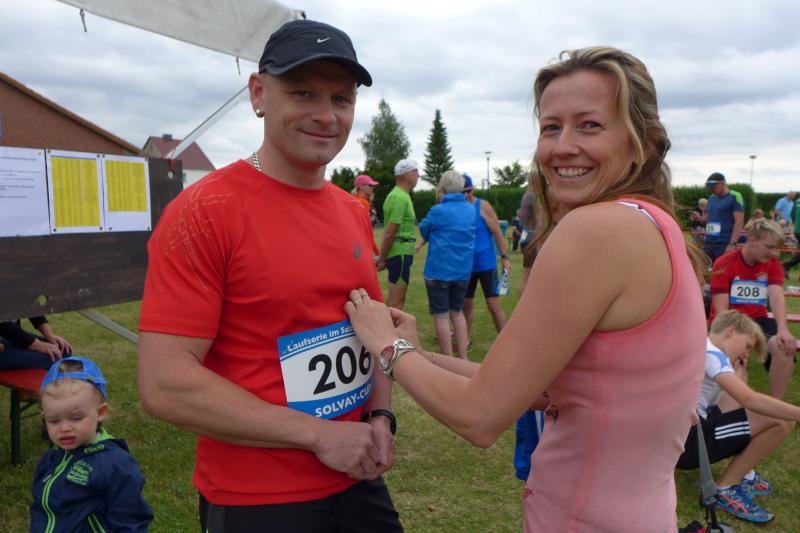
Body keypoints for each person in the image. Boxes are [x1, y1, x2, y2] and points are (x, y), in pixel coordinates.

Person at [345, 46, 707, 532]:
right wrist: (420, 354)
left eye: (590, 125)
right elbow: (531, 389)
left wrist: (386, 345)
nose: (562, 147)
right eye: (551, 127)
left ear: (640, 140)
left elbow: (479, 416)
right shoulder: (655, 224)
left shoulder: (595, 231)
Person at [137, 19, 402, 532]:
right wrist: (318, 434)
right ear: (259, 93)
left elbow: (371, 333)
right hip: (257, 497)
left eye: (341, 99)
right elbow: (165, 382)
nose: (326, 115)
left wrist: (379, 417)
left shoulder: (352, 211)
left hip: (356, 477)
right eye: (303, 93)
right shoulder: (205, 211)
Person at [676, 311, 800, 524]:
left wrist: (739, 369)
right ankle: (725, 488)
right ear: (731, 331)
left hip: (678, 435)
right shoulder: (713, 355)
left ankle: (746, 471)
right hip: (690, 444)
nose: (746, 353)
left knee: (740, 402)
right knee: (782, 420)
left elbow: (737, 396)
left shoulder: (702, 346)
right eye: (747, 346)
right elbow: (750, 399)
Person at [30, 356, 153, 531]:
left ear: (100, 413)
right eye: (54, 420)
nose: (64, 428)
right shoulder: (52, 457)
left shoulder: (115, 464)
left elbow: (130, 520)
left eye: (76, 418)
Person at [709, 218, 796, 399]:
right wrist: (737, 337)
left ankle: (774, 406)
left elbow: (777, 297)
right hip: (730, 321)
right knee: (735, 353)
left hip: (759, 321)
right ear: (752, 239)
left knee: (783, 346)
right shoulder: (724, 263)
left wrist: (783, 329)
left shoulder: (773, 264)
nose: (774, 253)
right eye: (769, 247)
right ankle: (728, 404)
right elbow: (721, 310)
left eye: (776, 248)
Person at [415, 170, 475, 360]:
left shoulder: (438, 210)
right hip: (462, 271)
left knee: (441, 316)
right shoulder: (471, 209)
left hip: (438, 271)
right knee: (457, 313)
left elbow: (424, 229)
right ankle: (463, 358)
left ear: (442, 188)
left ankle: (448, 359)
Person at [462, 174, 513, 335]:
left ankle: (505, 340)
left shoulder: (483, 206)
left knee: (493, 305)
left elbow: (497, 232)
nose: (465, 195)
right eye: (462, 192)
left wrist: (505, 257)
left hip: (486, 264)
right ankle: (465, 340)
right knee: (465, 305)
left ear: (473, 189)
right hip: (465, 266)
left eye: (468, 191)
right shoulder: (458, 209)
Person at [377, 159, 419, 310]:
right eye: (416, 171)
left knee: (397, 300)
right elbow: (390, 232)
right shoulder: (400, 197)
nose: (418, 175)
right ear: (406, 174)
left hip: (400, 253)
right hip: (400, 253)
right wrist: (382, 259)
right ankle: (388, 326)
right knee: (396, 302)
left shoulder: (399, 195)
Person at [0, 316, 71, 370]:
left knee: (64, 351)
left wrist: (49, 334)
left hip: (10, 335)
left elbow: (29, 304)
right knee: (54, 358)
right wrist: (36, 344)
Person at [703, 172, 744, 263]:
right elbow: (708, 219)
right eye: (710, 188)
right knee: (705, 269)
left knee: (722, 269)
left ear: (722, 183)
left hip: (724, 243)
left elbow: (739, 221)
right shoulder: (711, 198)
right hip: (708, 243)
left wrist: (732, 243)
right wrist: (699, 218)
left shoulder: (735, 196)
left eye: (713, 187)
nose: (711, 190)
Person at [352, 174, 380, 254]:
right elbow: (367, 230)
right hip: (362, 245)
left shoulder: (353, 200)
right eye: (370, 185)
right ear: (361, 187)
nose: (373, 187)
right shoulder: (363, 203)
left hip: (354, 245)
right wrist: (378, 253)